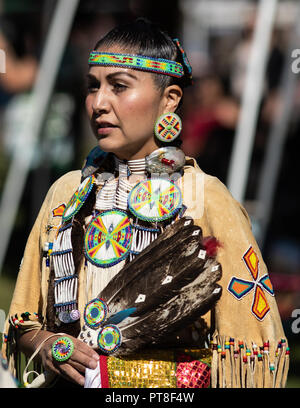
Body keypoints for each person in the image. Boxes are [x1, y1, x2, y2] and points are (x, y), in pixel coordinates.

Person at [2, 18, 289, 389]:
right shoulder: (67, 195)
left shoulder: (204, 198)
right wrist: (47, 344)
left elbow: (251, 346)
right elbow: (24, 320)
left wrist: (128, 378)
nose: (99, 103)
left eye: (119, 86)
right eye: (93, 87)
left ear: (168, 99)